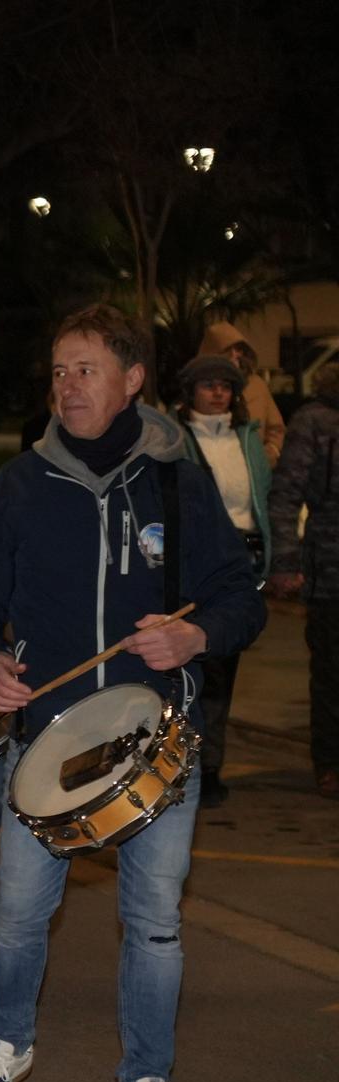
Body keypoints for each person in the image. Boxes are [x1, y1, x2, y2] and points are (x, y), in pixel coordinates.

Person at [0, 304, 264, 1082]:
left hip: (157, 737)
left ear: (131, 380)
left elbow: (242, 599)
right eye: (58, 369)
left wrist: (193, 634)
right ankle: (6, 1045)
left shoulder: (175, 480)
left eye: (85, 368)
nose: (66, 384)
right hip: (46, 733)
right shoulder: (21, 482)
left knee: (154, 917)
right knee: (13, 910)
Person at [173, 354, 272, 806]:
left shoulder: (247, 439)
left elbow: (262, 499)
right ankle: (184, 758)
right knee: (195, 667)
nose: (217, 393)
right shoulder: (177, 440)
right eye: (207, 385)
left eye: (225, 386)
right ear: (190, 391)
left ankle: (211, 764)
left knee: (224, 668)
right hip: (198, 560)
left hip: (245, 556)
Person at [269, 363, 339, 797]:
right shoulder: (313, 421)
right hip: (330, 571)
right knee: (331, 672)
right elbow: (286, 495)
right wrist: (285, 561)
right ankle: (330, 761)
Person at [199, 321, 286, 463]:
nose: (234, 354)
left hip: (256, 472)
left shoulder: (256, 385)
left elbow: (275, 428)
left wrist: (270, 453)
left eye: (238, 348)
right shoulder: (201, 390)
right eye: (227, 349)